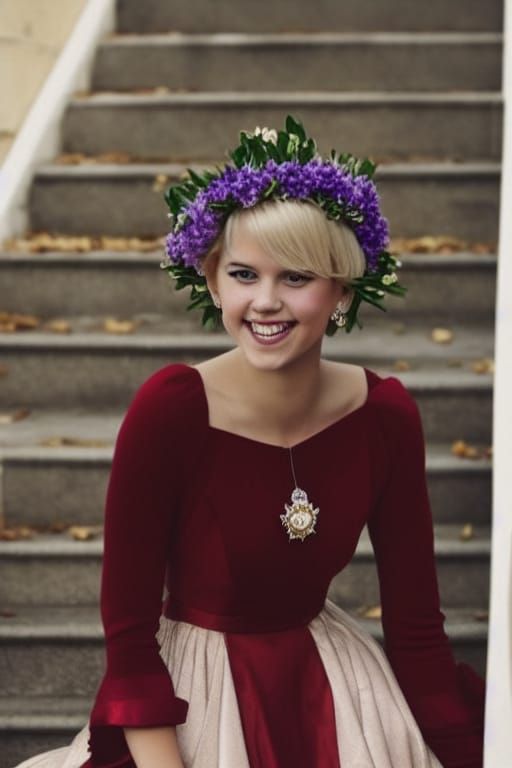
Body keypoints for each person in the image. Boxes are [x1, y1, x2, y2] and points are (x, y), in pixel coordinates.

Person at [15, 117, 485, 768]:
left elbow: (415, 629)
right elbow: (128, 636)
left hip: (334, 685)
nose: (265, 302)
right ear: (212, 282)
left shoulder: (385, 415)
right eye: (243, 274)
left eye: (296, 277)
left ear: (342, 293)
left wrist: (465, 751)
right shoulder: (172, 409)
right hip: (194, 698)